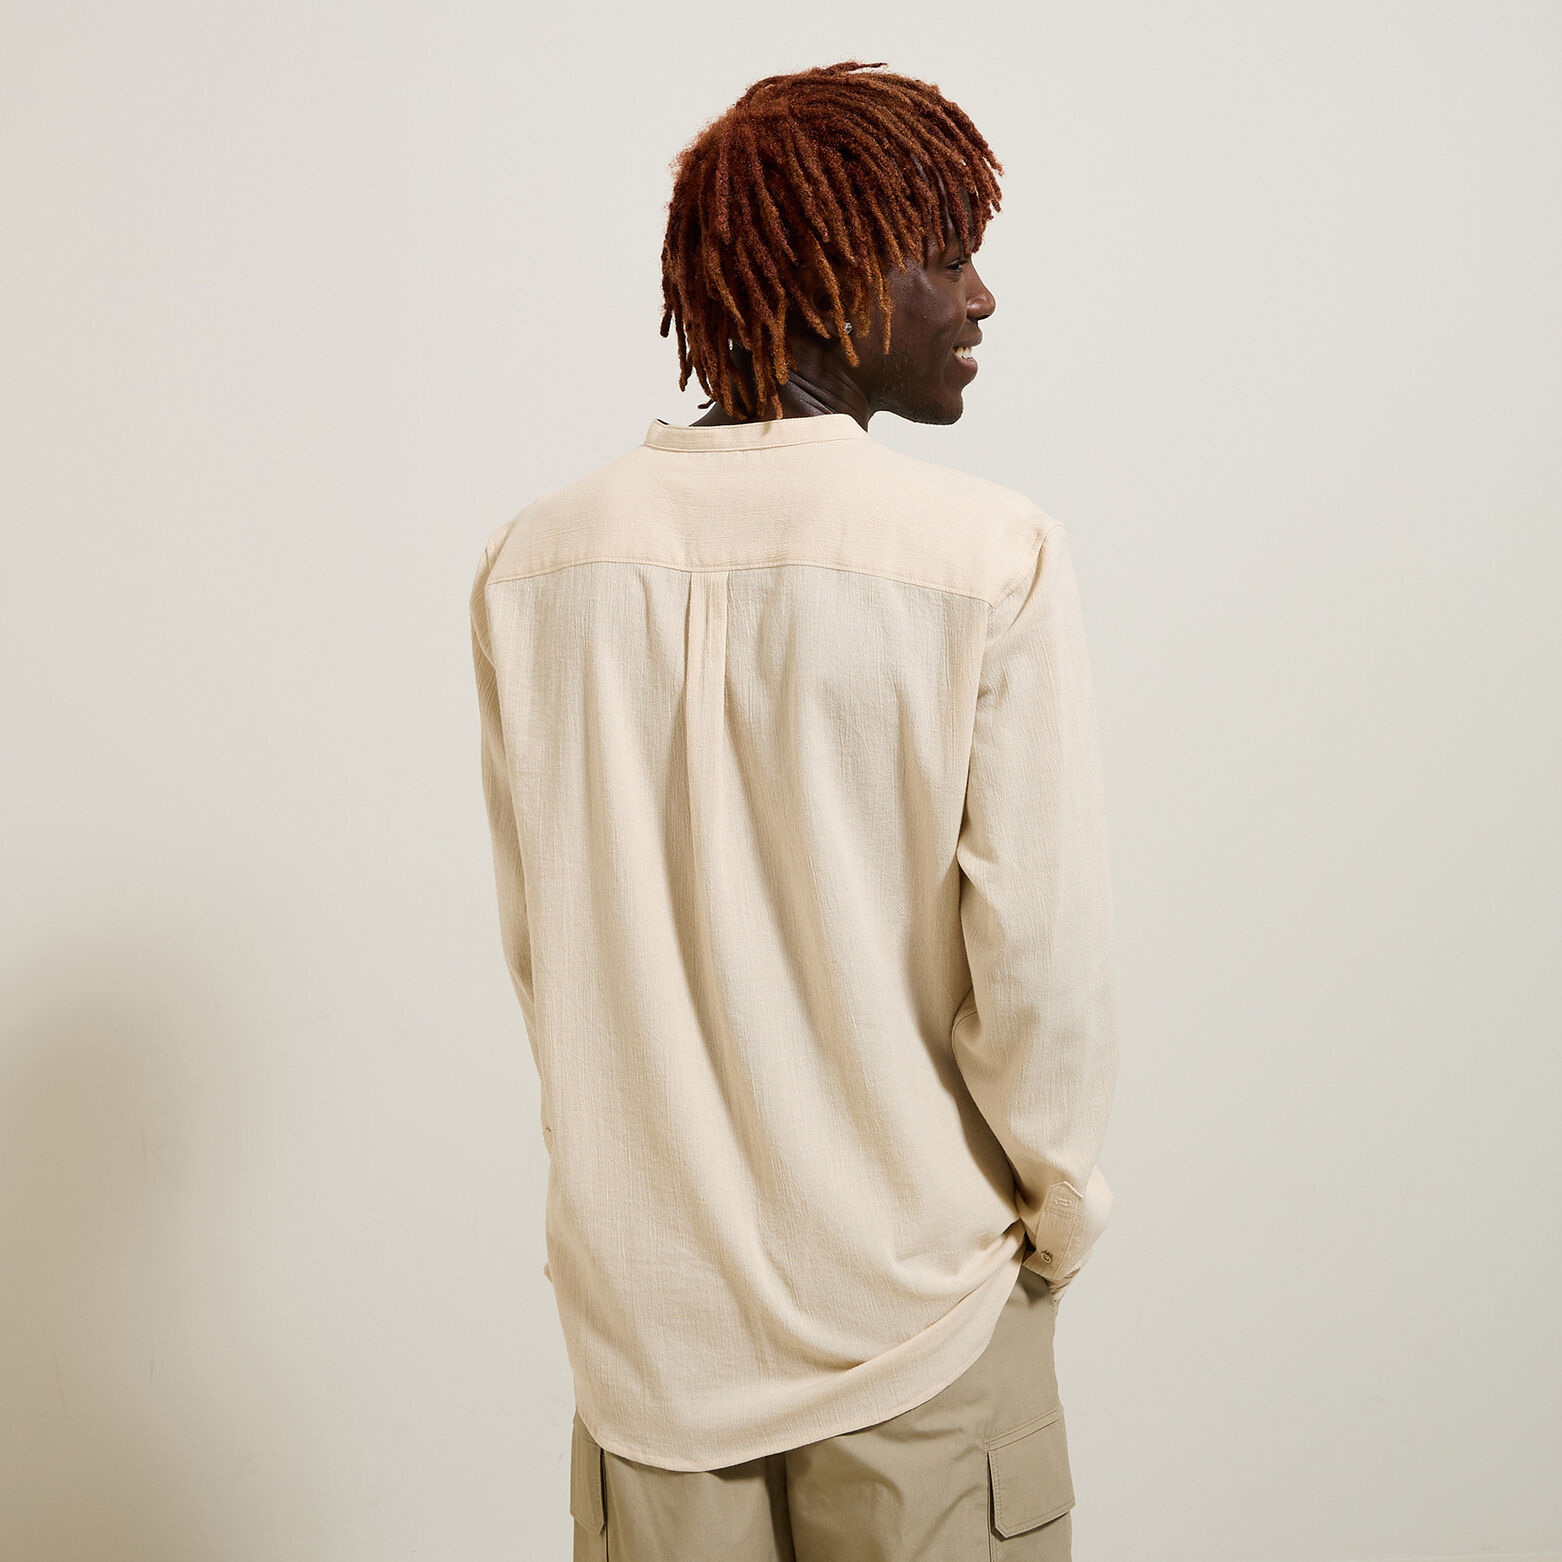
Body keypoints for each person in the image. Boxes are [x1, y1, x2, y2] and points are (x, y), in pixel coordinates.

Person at [469, 59, 1118, 1561]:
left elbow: (545, 955)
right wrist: (1058, 1210)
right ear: (836, 278)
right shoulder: (987, 557)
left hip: (650, 1338)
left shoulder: (537, 565)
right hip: (921, 1319)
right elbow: (1040, 965)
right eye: (945, 257)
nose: (981, 299)